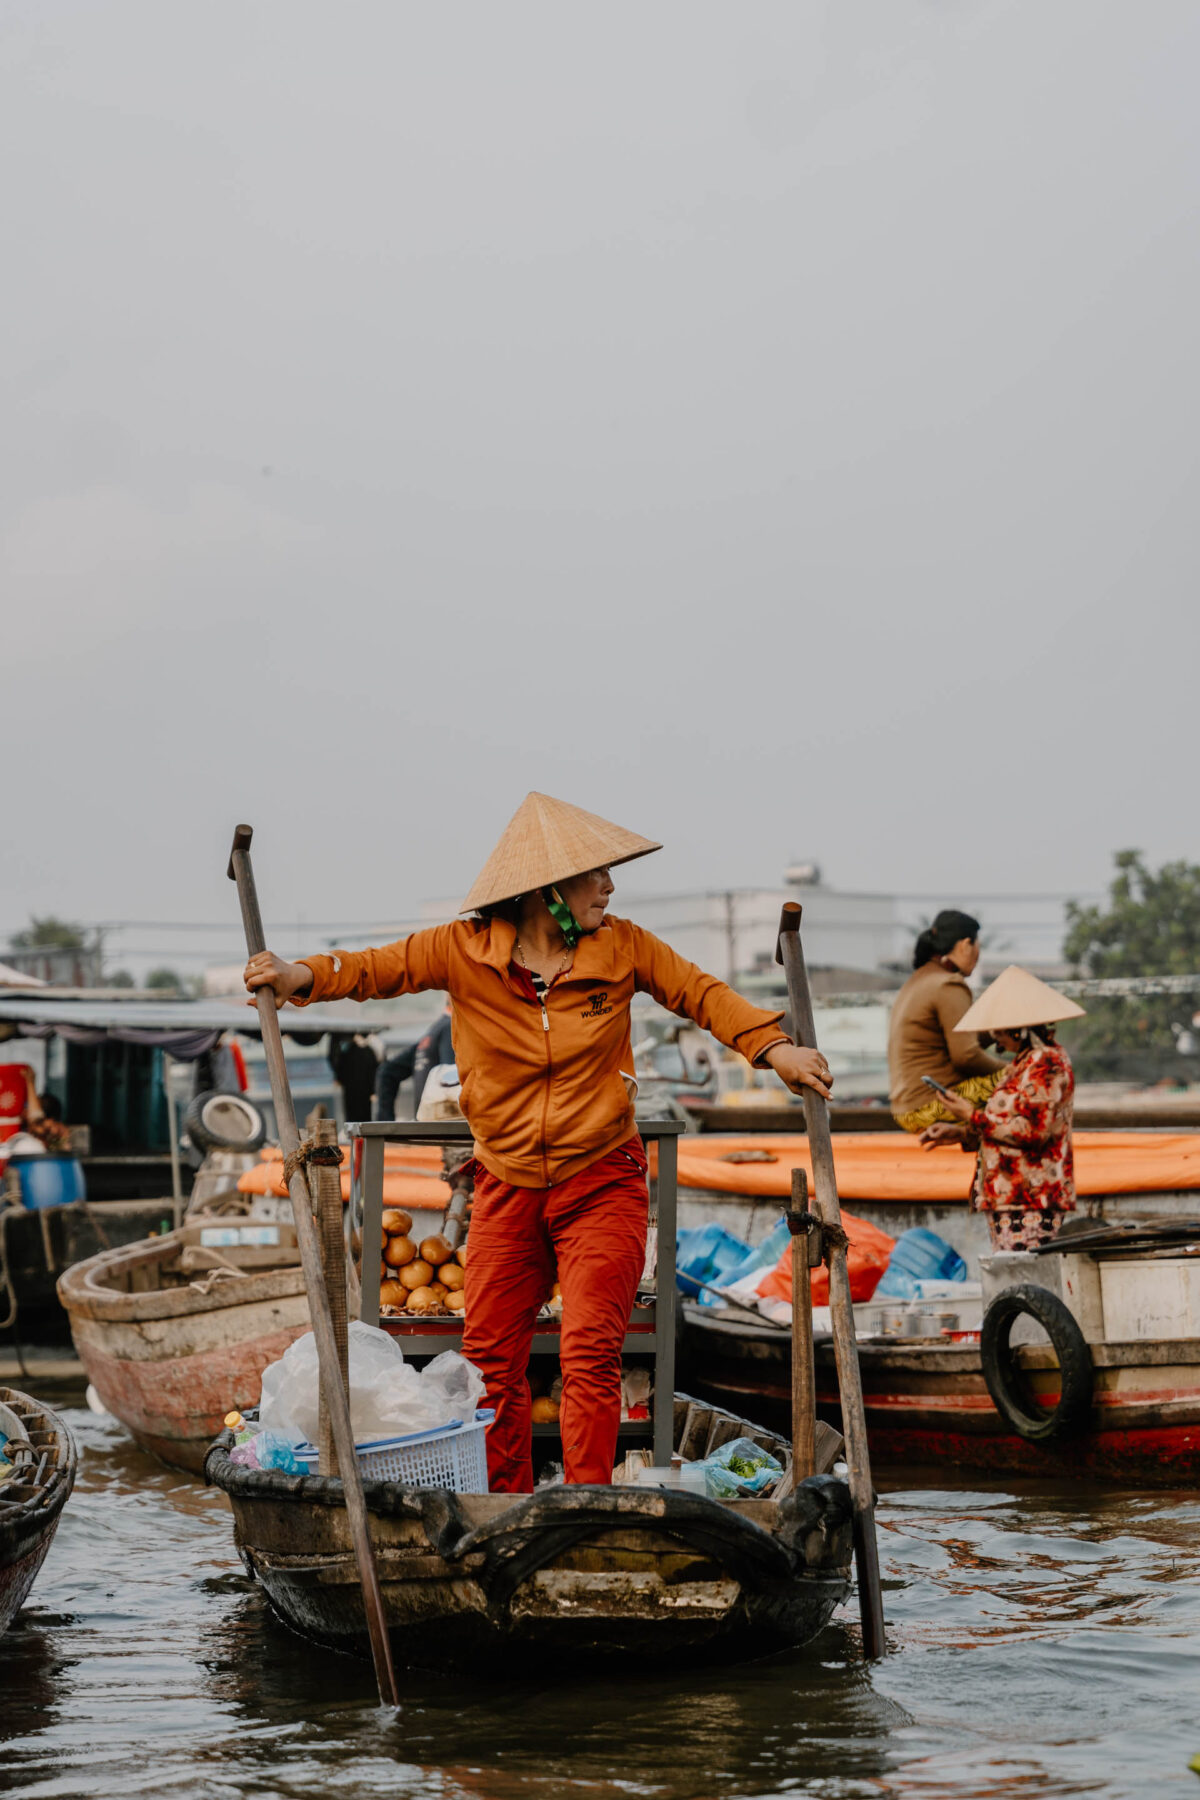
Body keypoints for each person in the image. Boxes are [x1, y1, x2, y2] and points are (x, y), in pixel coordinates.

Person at [244, 791, 831, 1493]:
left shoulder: (624, 947)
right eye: (595, 876)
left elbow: (704, 996)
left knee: (590, 1353)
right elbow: (372, 971)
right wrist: (294, 977)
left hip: (603, 1180)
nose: (609, 888)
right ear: (545, 892)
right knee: (489, 1357)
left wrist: (774, 1049)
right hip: (507, 1182)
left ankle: (586, 1502)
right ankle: (507, 1506)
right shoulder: (462, 951)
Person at [919, 964, 1085, 1251]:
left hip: (1032, 1198)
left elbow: (1033, 1131)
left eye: (1000, 1034)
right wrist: (961, 1132)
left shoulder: (1047, 1064)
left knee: (1025, 1282)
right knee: (1012, 1281)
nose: (996, 1040)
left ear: (1019, 1030)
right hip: (1010, 1197)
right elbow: (1004, 1124)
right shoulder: (1023, 1064)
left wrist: (970, 1114)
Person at [888, 908, 1004, 1132]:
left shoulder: (917, 981)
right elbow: (966, 1056)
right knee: (1035, 1078)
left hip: (906, 1108)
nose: (978, 956)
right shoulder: (949, 984)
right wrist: (1012, 1070)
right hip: (933, 1104)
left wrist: (994, 1032)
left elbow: (956, 1042)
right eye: (977, 947)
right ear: (964, 945)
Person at [375, 1003, 454, 1120]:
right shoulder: (450, 1027)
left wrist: (384, 1122)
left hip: (424, 1122)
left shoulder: (434, 1030)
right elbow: (451, 1075)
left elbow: (386, 1071)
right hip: (444, 1125)